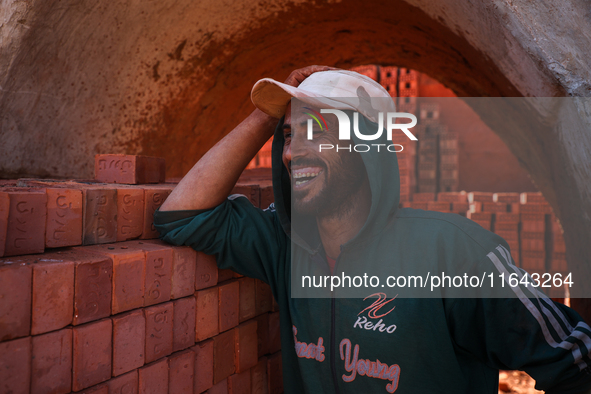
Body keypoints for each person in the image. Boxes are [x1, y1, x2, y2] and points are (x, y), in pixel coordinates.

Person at [155, 66, 591, 393]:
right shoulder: (284, 245)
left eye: (317, 130)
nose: (293, 153)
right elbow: (182, 217)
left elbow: (577, 362)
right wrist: (263, 117)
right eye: (288, 135)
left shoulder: (455, 252)